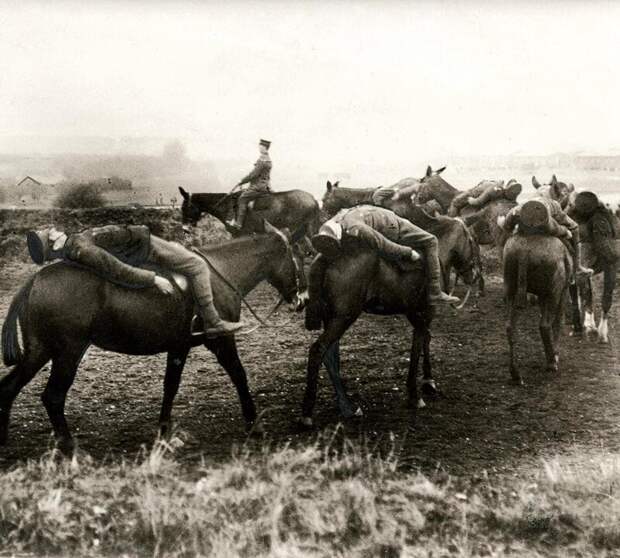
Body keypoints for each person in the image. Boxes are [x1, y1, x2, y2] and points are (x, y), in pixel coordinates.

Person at [26, 224, 245, 338]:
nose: (54, 230)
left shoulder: (75, 244)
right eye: (50, 233)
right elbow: (118, 270)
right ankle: (213, 322)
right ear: (54, 244)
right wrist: (153, 279)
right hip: (148, 248)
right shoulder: (83, 250)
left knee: (183, 253)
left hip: (144, 243)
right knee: (198, 265)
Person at [305, 205, 460, 330]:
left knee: (430, 240)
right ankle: (435, 291)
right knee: (432, 240)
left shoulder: (348, 227)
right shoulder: (345, 225)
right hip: (387, 221)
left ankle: (434, 291)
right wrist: (408, 252)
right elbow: (382, 244)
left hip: (386, 220)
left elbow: (382, 243)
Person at [498, 196, 593, 282]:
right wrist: (565, 232)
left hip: (527, 217)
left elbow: (507, 227)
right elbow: (558, 228)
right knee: (574, 228)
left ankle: (503, 262)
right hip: (544, 220)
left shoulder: (518, 209)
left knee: (506, 231)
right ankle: (578, 267)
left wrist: (504, 224)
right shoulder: (552, 208)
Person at [569, 191, 618, 311]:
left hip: (583, 250)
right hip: (601, 249)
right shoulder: (603, 215)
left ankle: (581, 314)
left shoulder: (572, 214)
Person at [227, 139, 272, 229]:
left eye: (260, 146)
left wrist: (241, 181)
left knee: (242, 199)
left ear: (264, 148)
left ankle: (238, 224)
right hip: (264, 185)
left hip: (258, 186)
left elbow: (253, 174)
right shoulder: (268, 159)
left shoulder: (262, 160)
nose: (259, 148)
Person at [448, 179, 522, 217]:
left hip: (477, 193)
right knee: (457, 201)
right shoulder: (495, 189)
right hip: (480, 190)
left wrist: (471, 200)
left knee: (455, 202)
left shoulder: (496, 190)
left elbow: (477, 202)